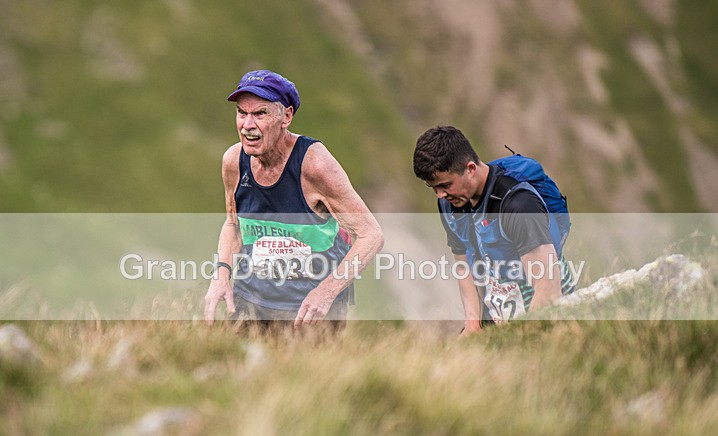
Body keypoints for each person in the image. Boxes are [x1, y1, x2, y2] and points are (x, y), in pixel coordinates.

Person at [204, 70, 384, 329]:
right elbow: (233, 225)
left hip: (310, 309)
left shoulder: (315, 165)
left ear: (286, 117)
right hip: (251, 299)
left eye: (260, 114)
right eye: (242, 113)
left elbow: (371, 235)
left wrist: (327, 292)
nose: (247, 125)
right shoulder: (234, 161)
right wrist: (221, 275)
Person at [413, 126, 576, 333]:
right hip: (498, 313)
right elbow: (463, 266)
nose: (440, 195)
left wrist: (527, 334)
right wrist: (473, 323)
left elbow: (548, 286)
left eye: (445, 185)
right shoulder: (450, 204)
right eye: (433, 188)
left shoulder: (518, 204)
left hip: (547, 314)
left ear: (470, 169)